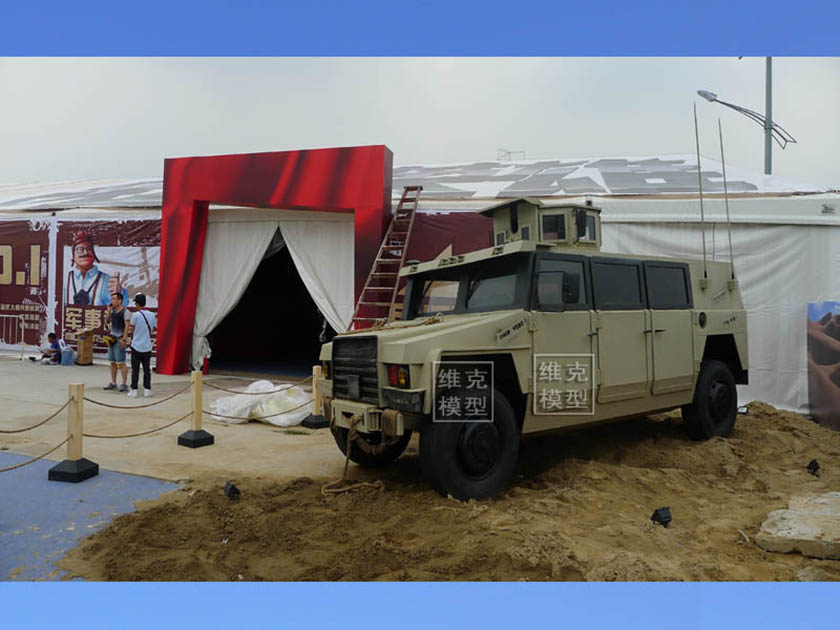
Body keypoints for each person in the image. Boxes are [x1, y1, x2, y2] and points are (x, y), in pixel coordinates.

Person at [65, 231, 129, 306]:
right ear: (73, 255)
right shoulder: (65, 279)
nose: (85, 252)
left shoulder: (107, 281)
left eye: (88, 249)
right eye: (80, 249)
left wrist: (119, 293)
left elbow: (123, 306)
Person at [125, 293, 156, 398]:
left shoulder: (136, 315)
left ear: (137, 304)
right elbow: (153, 328)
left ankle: (134, 390)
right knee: (147, 370)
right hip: (147, 345)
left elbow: (131, 329)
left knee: (135, 370)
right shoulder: (152, 315)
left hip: (136, 345)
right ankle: (147, 390)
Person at [103, 292, 130, 391]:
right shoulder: (112, 311)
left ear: (120, 300)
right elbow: (107, 323)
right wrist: (108, 311)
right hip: (111, 339)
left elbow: (127, 326)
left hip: (119, 339)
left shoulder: (125, 311)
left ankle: (124, 383)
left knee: (121, 362)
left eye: (114, 299)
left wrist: (124, 339)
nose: (112, 301)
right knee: (112, 362)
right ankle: (113, 382)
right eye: (112, 299)